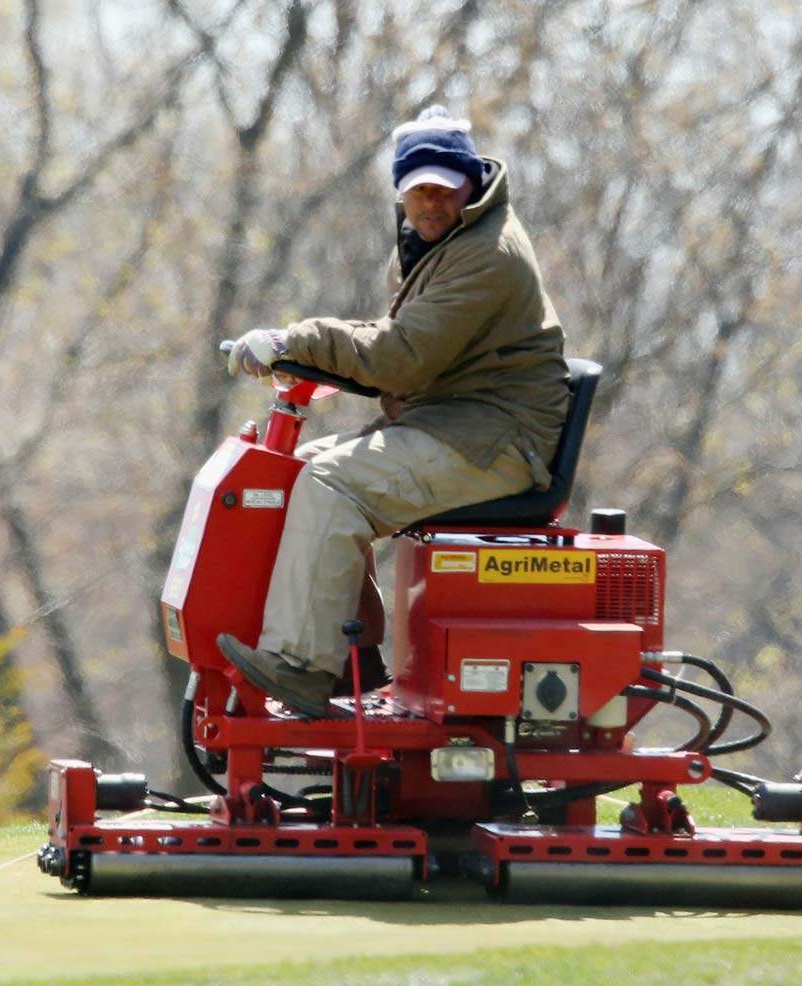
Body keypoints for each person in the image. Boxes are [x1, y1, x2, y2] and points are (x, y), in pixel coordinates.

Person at [216, 107, 568, 718]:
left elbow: (401, 358)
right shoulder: (439, 242)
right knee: (295, 472)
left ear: (470, 184)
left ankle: (301, 665)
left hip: (498, 442)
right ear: (401, 191)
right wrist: (299, 351)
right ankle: (353, 658)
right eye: (419, 190)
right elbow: (400, 347)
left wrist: (293, 341)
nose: (431, 202)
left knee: (332, 483)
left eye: (444, 189)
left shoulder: (486, 255)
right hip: (457, 423)